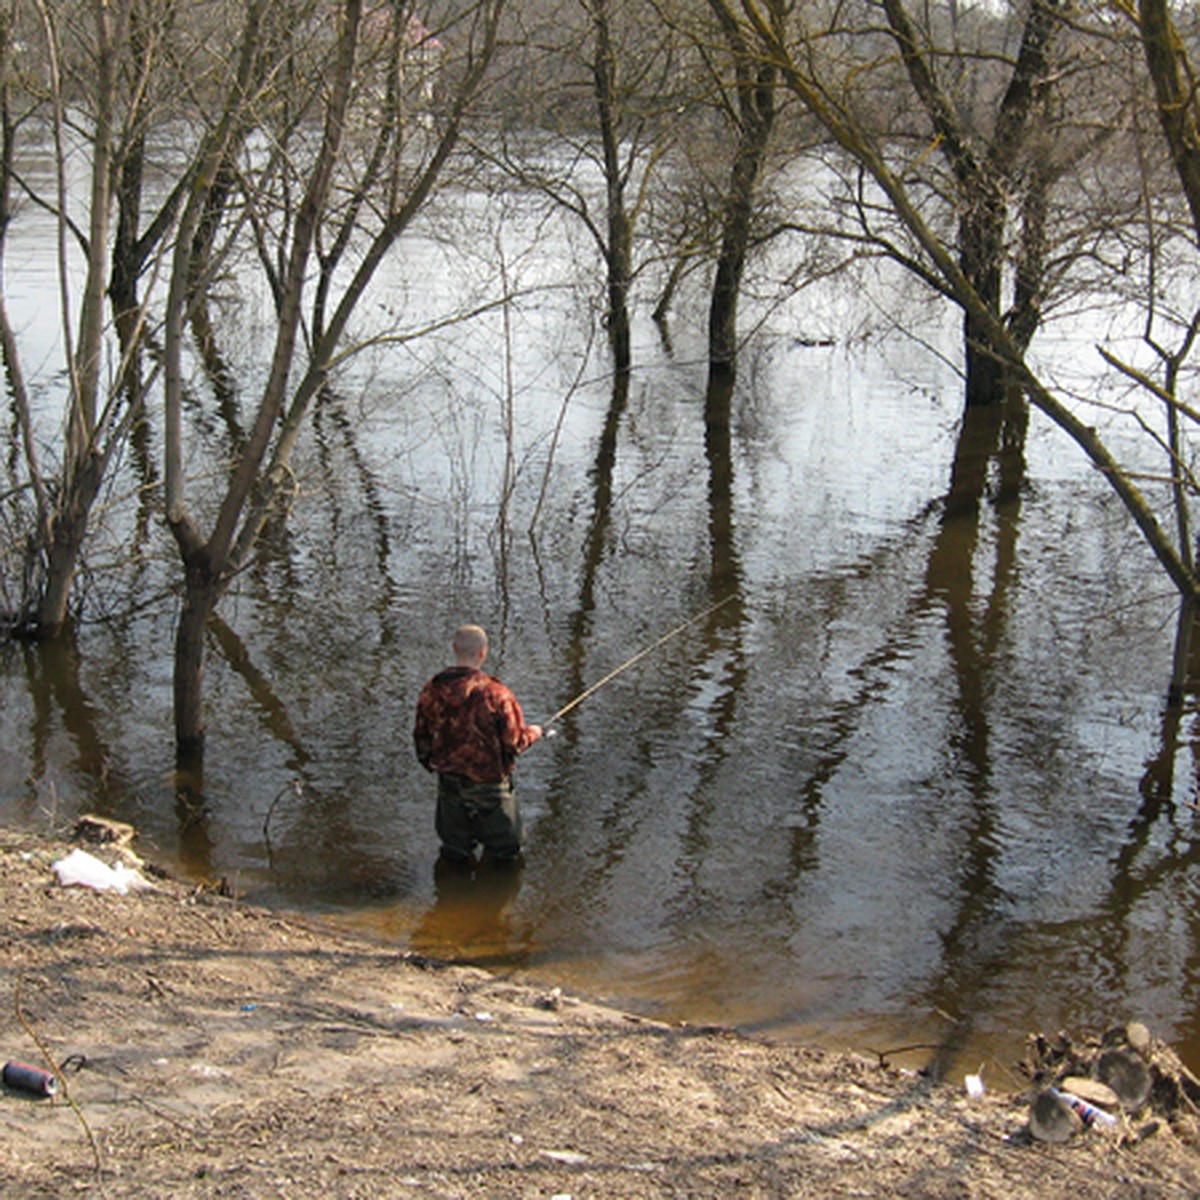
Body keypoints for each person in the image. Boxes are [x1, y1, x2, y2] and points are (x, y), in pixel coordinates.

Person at [413, 624, 543, 865]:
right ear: (483, 652)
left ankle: (451, 898)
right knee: (506, 854)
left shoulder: (432, 689)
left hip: (449, 785)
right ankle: (491, 899)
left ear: (454, 648)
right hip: (491, 789)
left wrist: (431, 764)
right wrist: (534, 733)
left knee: (455, 853)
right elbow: (514, 743)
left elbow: (421, 738)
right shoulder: (497, 694)